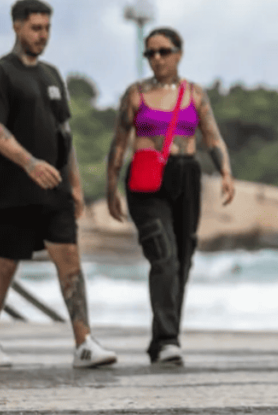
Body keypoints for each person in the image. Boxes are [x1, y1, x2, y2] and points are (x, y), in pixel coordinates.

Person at [0, 0, 117, 369]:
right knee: (5, 264)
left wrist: (75, 184)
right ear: (17, 26)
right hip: (10, 191)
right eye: (36, 28)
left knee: (70, 257)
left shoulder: (52, 76)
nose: (42, 35)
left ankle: (84, 342)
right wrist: (30, 163)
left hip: (54, 191)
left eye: (47, 28)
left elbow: (64, 133)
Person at [105, 27, 235, 365]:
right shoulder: (135, 94)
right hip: (146, 179)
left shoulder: (194, 93)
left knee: (183, 258)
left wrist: (225, 172)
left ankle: (163, 339)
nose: (157, 59)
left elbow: (212, 137)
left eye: (163, 51)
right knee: (163, 255)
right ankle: (167, 340)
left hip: (185, 176)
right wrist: (110, 187)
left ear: (179, 53)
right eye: (150, 53)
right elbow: (119, 142)